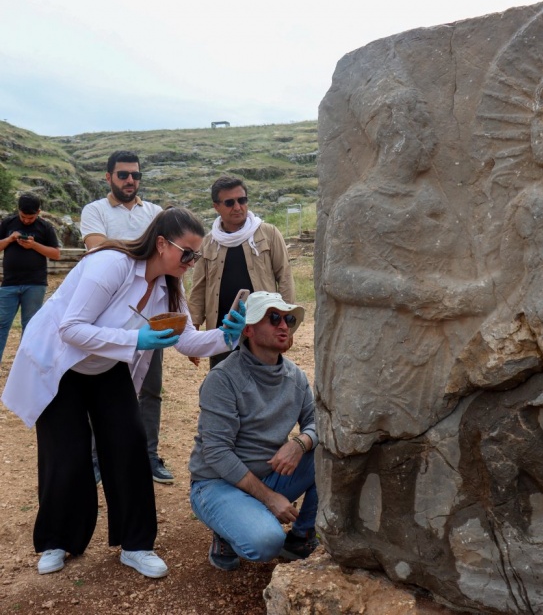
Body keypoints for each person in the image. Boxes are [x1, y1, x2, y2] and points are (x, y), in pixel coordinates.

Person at [1, 207, 247, 579]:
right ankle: (57, 540)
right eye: (188, 254)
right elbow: (71, 328)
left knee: (130, 446)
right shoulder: (112, 265)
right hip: (62, 365)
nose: (193, 262)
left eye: (197, 256)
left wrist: (227, 336)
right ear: (162, 244)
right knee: (65, 455)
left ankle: (136, 545)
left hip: (108, 365)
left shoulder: (168, 285)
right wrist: (136, 339)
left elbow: (185, 340)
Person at [188, 291, 318, 571]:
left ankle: (301, 536)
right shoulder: (223, 379)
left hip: (269, 474)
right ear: (248, 329)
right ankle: (225, 528)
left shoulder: (296, 377)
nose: (284, 325)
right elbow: (217, 453)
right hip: (217, 483)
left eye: (289, 318)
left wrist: (300, 442)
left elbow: (318, 422)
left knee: (331, 453)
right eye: (274, 318)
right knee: (265, 543)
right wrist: (270, 499)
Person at [80, 151, 173, 484]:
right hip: (108, 315)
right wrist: (147, 252)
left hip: (151, 312)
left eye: (135, 175)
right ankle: (96, 457)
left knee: (151, 389)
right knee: (101, 387)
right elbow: (97, 249)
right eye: (122, 175)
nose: (130, 181)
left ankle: (148, 455)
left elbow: (166, 257)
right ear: (108, 177)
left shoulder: (156, 213)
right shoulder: (94, 211)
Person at [189, 176, 294, 369]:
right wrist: (193, 333)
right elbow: (199, 287)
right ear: (216, 206)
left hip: (262, 327)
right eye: (229, 202)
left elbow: (285, 278)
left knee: (264, 383)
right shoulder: (208, 242)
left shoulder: (269, 234)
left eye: (242, 200)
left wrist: (288, 325)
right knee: (224, 383)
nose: (237, 207)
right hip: (222, 332)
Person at [0, 193, 61, 364]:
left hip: (35, 284)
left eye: (31, 217)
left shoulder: (45, 227)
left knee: (30, 327)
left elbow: (56, 254)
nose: (26, 220)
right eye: (23, 217)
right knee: (1, 325)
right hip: (8, 284)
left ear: (39, 212)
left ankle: (24, 365)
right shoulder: (8, 223)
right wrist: (10, 239)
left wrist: (34, 245)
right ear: (18, 211)